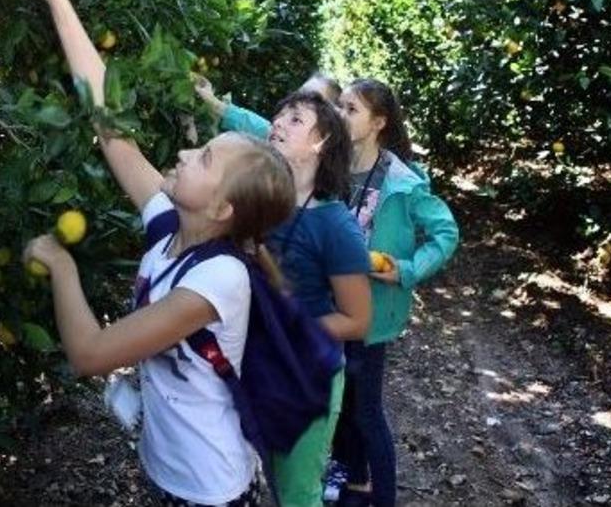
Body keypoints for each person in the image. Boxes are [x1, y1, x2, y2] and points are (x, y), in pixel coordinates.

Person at [24, 0, 296, 507]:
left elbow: (91, 353)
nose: (182, 155)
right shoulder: (173, 222)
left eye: (203, 159)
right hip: (168, 469)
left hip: (208, 491)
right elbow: (108, 124)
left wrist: (61, 262)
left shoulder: (219, 279)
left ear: (223, 208)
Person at [330, 78, 460, 507]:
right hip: (329, 306)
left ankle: (382, 497)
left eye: (351, 110)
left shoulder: (401, 181)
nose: (340, 115)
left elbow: (445, 232)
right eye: (341, 106)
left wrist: (406, 270)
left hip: (369, 313)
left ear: (378, 123)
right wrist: (219, 107)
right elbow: (270, 133)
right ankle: (356, 484)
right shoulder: (331, 162)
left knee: (366, 413)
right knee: (340, 405)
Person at [261, 91, 371, 506]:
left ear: (320, 143)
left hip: (307, 377)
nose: (277, 123)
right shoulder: (260, 200)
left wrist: (288, 327)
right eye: (281, 114)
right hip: (255, 366)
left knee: (297, 495)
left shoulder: (334, 225)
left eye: (295, 119)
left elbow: (356, 320)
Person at [195, 73, 342, 139]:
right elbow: (248, 122)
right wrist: (211, 100)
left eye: (313, 99)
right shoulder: (274, 133)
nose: (300, 101)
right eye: (300, 93)